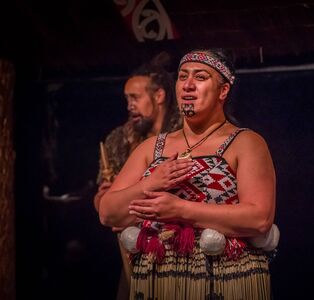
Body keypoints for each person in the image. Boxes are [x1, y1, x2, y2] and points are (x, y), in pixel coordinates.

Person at [99, 48, 277, 300]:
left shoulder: (245, 142)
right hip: (157, 284)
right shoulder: (152, 148)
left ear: (223, 91)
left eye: (201, 77)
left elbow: (259, 218)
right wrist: (151, 183)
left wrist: (180, 210)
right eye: (183, 77)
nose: (188, 85)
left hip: (224, 282)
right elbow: (108, 212)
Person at [93, 60, 181, 299]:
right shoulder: (118, 140)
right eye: (126, 99)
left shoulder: (184, 133)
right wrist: (105, 200)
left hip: (181, 251)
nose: (130, 105)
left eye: (135, 97)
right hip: (133, 251)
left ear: (159, 95)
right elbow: (103, 200)